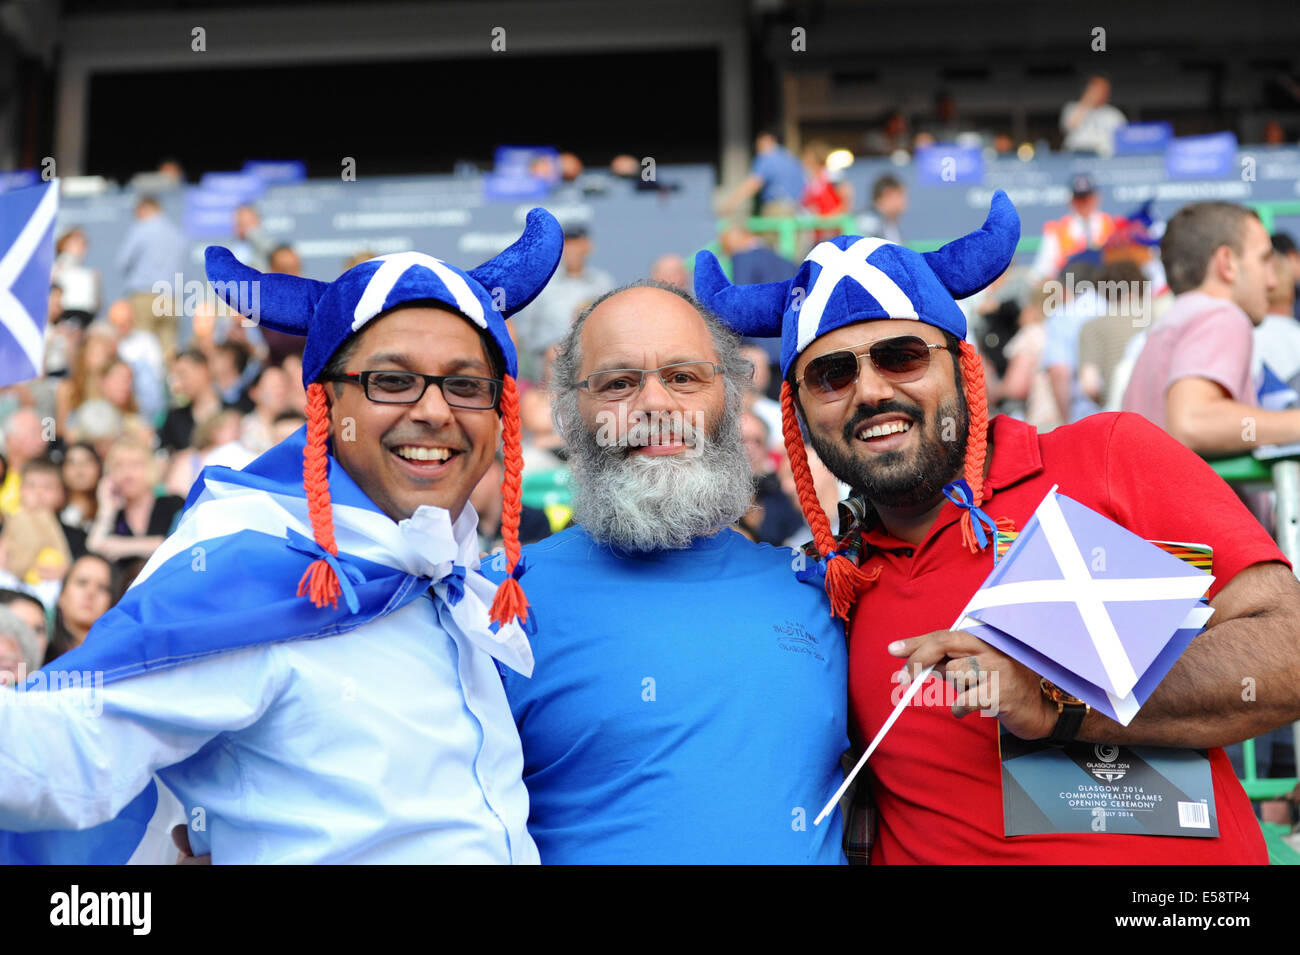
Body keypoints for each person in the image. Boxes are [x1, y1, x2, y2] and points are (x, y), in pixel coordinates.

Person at [697, 190, 1300, 864]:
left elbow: (1289, 650)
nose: (869, 391)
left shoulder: (1106, 456)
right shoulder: (829, 591)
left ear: (962, 365)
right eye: (832, 374)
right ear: (799, 410)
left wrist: (1056, 695)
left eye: (902, 355)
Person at [0, 209, 563, 864]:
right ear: (326, 404)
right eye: (392, 379)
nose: (434, 409)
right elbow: (57, 752)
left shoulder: (472, 586)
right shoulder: (251, 572)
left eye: (467, 384)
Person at [494, 281, 848, 864]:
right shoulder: (499, 600)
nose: (655, 406)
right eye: (618, 383)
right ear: (567, 412)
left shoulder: (819, 589)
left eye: (684, 378)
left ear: (731, 399)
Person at [1122, 202, 1296, 455]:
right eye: (1264, 260)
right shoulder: (1221, 314)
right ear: (1227, 264)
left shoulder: (1165, 326)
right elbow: (1192, 423)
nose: (1272, 282)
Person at [517, 222, 614, 381]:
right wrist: (548, 352)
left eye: (576, 244)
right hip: (549, 371)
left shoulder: (603, 283)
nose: (572, 251)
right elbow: (527, 333)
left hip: (592, 365)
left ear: (588, 246)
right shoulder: (542, 284)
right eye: (566, 245)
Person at [117, 196, 186, 358]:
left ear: (144, 208)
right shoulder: (175, 232)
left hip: (145, 295)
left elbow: (122, 262)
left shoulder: (141, 229)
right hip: (170, 296)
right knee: (169, 349)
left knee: (143, 347)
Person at [1030, 174, 1116, 283]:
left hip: (1107, 289)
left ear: (1096, 197)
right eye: (1079, 198)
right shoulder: (1057, 231)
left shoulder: (1112, 226)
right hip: (1069, 290)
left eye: (1087, 197)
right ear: (1071, 200)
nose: (1084, 203)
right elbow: (1041, 271)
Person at [44, 553, 115, 665]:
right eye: (82, 583)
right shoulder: (41, 654)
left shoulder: (120, 661)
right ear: (61, 595)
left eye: (102, 587)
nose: (91, 592)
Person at [721, 130, 808, 218]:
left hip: (777, 209)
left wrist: (730, 204)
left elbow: (753, 183)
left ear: (764, 141)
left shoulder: (767, 158)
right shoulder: (790, 157)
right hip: (796, 209)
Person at [1060, 75, 1127, 158]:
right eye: (1095, 89)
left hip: (1103, 157)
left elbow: (1123, 140)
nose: (1098, 93)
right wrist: (1087, 101)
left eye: (1102, 90)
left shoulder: (1114, 114)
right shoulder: (1072, 108)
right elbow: (1069, 126)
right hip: (1075, 155)